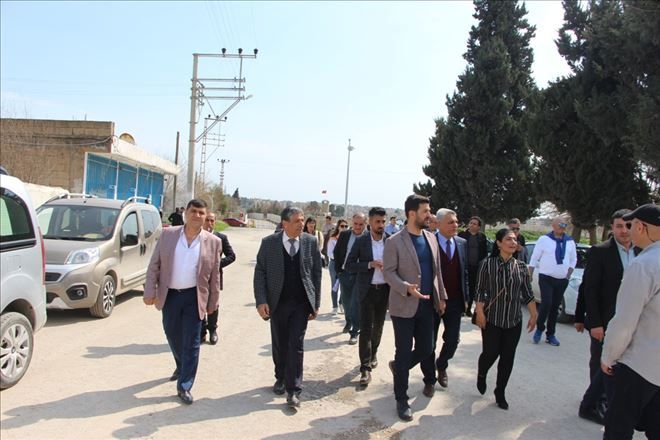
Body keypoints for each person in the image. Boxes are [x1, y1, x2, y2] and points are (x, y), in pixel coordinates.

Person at [143, 199, 222, 405]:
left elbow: (215, 276)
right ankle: (181, 364)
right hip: (170, 295)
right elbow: (154, 265)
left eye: (201, 213)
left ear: (205, 217)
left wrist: (213, 303)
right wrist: (150, 290)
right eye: (193, 211)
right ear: (186, 213)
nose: (197, 215)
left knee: (192, 342)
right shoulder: (168, 235)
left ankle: (185, 385)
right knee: (172, 333)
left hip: (194, 297)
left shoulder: (213, 242)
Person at [382, 194, 447, 421]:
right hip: (403, 305)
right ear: (412, 214)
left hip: (427, 305)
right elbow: (388, 272)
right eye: (425, 211)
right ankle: (401, 399)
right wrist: (405, 287)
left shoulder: (431, 238)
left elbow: (437, 272)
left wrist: (442, 297)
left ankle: (400, 366)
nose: (429, 215)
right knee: (403, 351)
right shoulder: (394, 241)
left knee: (427, 348)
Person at [601, 203, 660, 440]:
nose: (628, 230)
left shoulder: (644, 265)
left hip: (639, 365)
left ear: (642, 227)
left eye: (631, 225)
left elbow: (625, 321)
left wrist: (609, 356)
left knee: (618, 427)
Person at [253, 207, 322, 409]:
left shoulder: (310, 242)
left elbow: (316, 273)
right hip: (278, 303)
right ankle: (280, 377)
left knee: (296, 345)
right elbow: (260, 272)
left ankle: (294, 390)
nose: (302, 224)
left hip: (301, 304)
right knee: (280, 343)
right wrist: (261, 300)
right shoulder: (269, 243)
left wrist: (315, 303)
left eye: (302, 220)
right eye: (297, 221)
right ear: (284, 223)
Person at [578, 209, 635, 425]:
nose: (624, 231)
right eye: (619, 226)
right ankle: (595, 404)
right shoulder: (601, 252)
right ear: (612, 227)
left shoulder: (641, 252)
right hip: (604, 322)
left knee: (620, 364)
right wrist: (594, 323)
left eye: (628, 226)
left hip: (631, 322)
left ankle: (603, 400)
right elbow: (590, 289)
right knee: (601, 363)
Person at [474, 228, 537, 410]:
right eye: (508, 239)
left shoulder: (521, 267)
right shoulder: (487, 264)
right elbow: (480, 290)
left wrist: (534, 314)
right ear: (499, 243)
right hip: (492, 318)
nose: (513, 242)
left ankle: (500, 391)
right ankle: (482, 373)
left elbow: (527, 293)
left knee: (508, 357)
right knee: (490, 353)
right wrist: (480, 312)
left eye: (515, 240)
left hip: (514, 320)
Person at [424, 208, 469, 394]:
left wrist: (467, 298)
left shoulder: (461, 243)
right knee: (429, 343)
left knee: (452, 340)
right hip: (432, 302)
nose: (455, 225)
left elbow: (465, 272)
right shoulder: (428, 242)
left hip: (455, 301)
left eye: (456, 222)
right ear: (439, 224)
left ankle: (441, 364)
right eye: (450, 222)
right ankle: (429, 380)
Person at [346, 207, 390, 386]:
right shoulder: (362, 241)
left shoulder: (391, 241)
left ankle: (373, 354)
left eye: (383, 221)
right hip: (366, 291)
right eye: (377, 221)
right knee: (365, 329)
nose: (381, 225)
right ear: (370, 223)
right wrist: (369, 264)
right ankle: (365, 369)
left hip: (385, 290)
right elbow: (349, 265)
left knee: (378, 327)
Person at [528, 215, 577, 346]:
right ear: (553, 226)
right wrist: (530, 273)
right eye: (560, 224)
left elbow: (573, 259)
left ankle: (551, 334)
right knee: (546, 304)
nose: (562, 227)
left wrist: (568, 274)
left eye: (564, 225)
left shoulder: (570, 242)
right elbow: (535, 257)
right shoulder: (544, 239)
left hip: (562, 280)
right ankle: (539, 328)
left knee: (555, 307)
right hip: (546, 278)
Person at [200, 212, 236, 345]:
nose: (209, 223)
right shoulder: (197, 236)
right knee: (199, 303)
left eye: (212, 221)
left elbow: (232, 256)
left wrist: (216, 265)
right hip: (199, 278)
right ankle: (201, 331)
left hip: (214, 278)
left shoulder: (221, 238)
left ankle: (212, 330)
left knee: (213, 304)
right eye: (207, 220)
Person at [333, 213, 367, 344]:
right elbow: (337, 252)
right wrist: (338, 270)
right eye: (355, 224)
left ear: (365, 224)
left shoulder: (368, 237)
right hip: (344, 273)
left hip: (359, 275)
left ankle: (355, 331)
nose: (358, 227)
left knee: (356, 303)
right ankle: (348, 322)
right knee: (346, 302)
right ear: (352, 223)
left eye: (361, 224)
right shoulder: (345, 235)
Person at [458, 216, 488, 316]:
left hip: (476, 268)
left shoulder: (482, 237)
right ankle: (461, 309)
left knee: (472, 289)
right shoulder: (462, 235)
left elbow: (484, 253)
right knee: (462, 287)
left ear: (479, 227)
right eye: (470, 223)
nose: (471, 225)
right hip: (463, 266)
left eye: (474, 224)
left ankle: (468, 309)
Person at [327, 219, 348, 315]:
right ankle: (334, 306)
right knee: (335, 285)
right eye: (342, 226)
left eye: (346, 226)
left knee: (344, 285)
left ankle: (341, 303)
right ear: (338, 227)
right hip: (334, 264)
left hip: (345, 265)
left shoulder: (348, 239)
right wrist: (340, 259)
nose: (344, 228)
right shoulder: (332, 239)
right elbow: (329, 253)